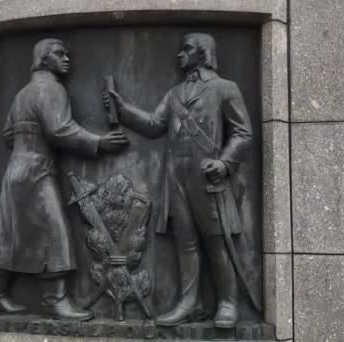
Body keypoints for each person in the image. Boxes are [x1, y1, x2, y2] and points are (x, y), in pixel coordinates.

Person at [105, 33, 260, 328]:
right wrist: (124, 109)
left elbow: (243, 133)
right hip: (176, 178)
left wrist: (225, 162)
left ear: (202, 53)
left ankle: (227, 303)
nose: (179, 53)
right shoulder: (175, 93)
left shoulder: (226, 89)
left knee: (217, 243)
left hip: (207, 177)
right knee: (185, 243)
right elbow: (153, 125)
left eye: (186, 49)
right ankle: (190, 304)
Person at [0, 38, 128, 321]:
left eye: (67, 54)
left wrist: (28, 142)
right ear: (43, 58)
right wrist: (99, 142)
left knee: (7, 232)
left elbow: (7, 134)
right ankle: (55, 300)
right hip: (38, 171)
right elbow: (60, 130)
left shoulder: (23, 93)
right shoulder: (52, 89)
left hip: (16, 169)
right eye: (59, 54)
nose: (66, 59)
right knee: (55, 233)